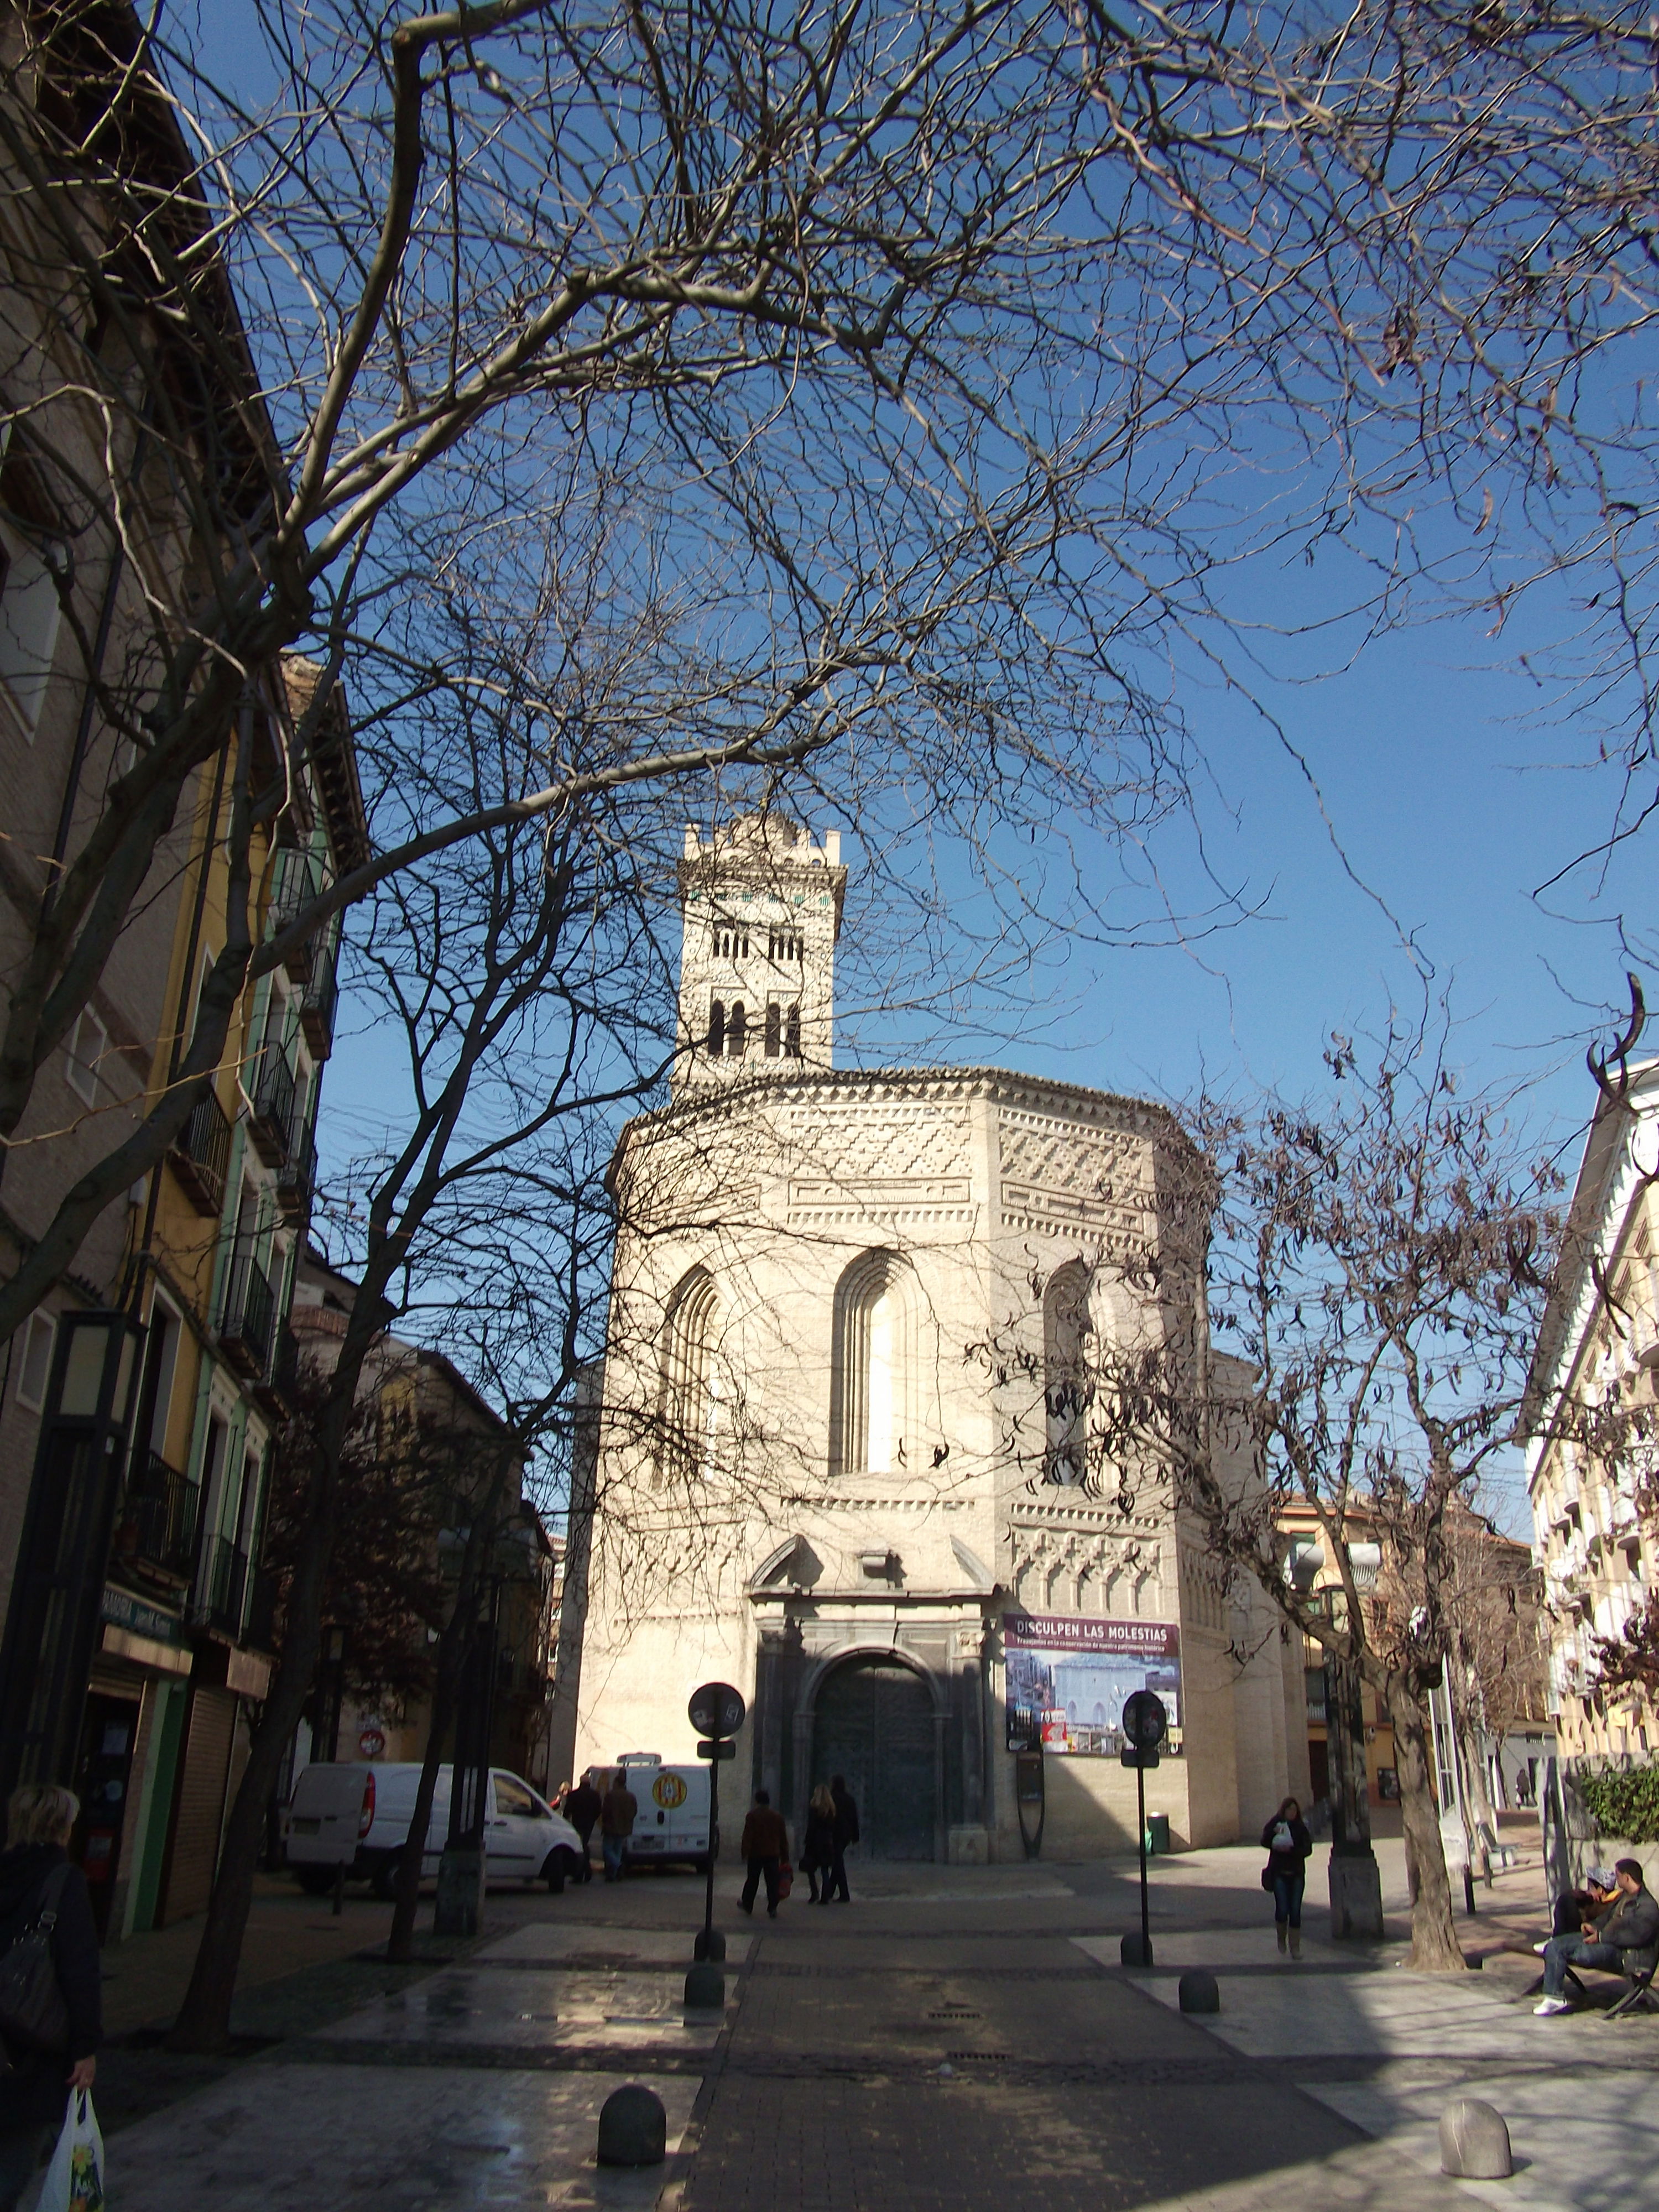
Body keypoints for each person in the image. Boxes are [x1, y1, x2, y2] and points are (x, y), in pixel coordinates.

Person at [0, 1784, 100, 2212]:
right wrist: (85, 2047)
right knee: (15, 2160)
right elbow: (79, 1969)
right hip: (33, 2042)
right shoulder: (65, 1882)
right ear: (63, 1827)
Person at [1535, 1857, 1659, 2015]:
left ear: (1627, 1878)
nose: (1617, 1879)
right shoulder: (1623, 1897)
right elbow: (1607, 1918)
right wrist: (1593, 1927)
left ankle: (1555, 1994)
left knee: (1582, 1953)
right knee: (1555, 1945)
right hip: (1607, 1941)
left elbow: (1636, 1937)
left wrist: (1601, 1938)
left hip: (1626, 1955)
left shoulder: (1647, 1906)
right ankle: (1554, 1997)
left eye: (1618, 1875)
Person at [1261, 1794, 1313, 1959]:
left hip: (1296, 1873)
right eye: (1289, 1810)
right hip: (1280, 1873)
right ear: (1284, 1811)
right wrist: (1274, 1835)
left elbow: (1307, 1849)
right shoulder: (1276, 1823)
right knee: (1283, 1908)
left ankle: (1295, 1947)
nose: (1292, 1813)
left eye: (1294, 1810)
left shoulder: (1300, 1827)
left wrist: (1292, 1850)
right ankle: (1281, 1938)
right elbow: (1264, 1840)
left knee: (1296, 1910)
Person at [737, 1788, 789, 1918]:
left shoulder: (752, 1816)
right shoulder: (777, 1817)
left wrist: (745, 1852)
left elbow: (748, 1835)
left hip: (756, 1853)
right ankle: (772, 1908)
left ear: (757, 1801)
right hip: (772, 1854)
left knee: (752, 1880)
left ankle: (748, 1904)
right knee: (772, 1882)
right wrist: (785, 1857)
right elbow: (783, 1838)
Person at [826, 1773, 859, 1903]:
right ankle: (830, 1891)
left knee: (838, 1863)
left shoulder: (832, 1798)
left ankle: (844, 1894)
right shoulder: (849, 1799)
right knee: (837, 1861)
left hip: (835, 1834)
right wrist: (856, 1835)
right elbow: (854, 1819)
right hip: (846, 1835)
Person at [599, 1769, 637, 1883]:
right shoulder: (630, 1796)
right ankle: (614, 1874)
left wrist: (605, 1823)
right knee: (617, 1850)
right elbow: (634, 1811)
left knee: (607, 1849)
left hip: (611, 1827)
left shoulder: (611, 1795)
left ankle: (618, 1866)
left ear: (616, 1783)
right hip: (624, 1827)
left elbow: (605, 1811)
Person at [802, 1785, 837, 1905]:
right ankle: (825, 1897)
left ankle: (814, 1893)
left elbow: (811, 1827)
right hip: (826, 1841)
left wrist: (807, 1840)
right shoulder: (831, 1810)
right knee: (825, 1870)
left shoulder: (814, 1809)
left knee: (811, 1869)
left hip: (814, 1841)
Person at [564, 1772, 601, 1883]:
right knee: (584, 1845)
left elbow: (567, 1811)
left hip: (577, 1824)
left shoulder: (574, 1795)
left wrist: (565, 1821)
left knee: (580, 1847)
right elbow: (599, 1810)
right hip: (589, 1824)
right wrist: (593, 1819)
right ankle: (586, 1871)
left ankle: (580, 1873)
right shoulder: (595, 1795)